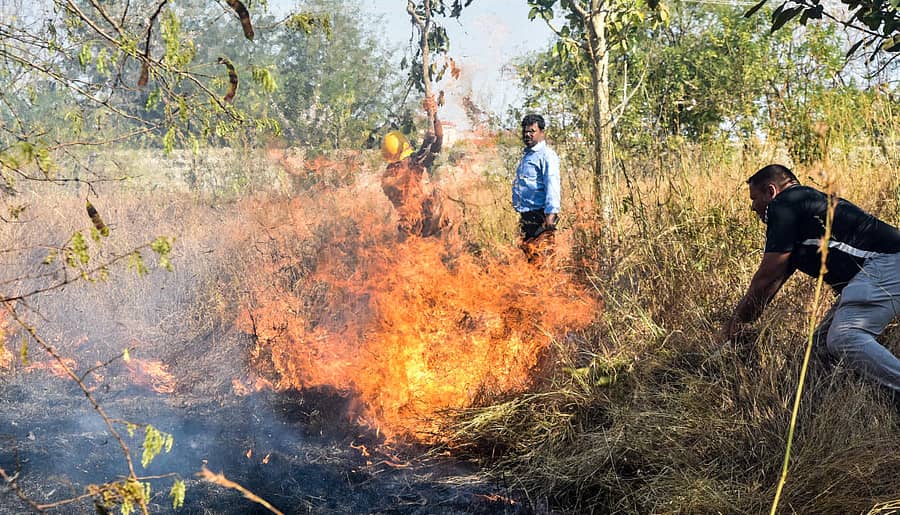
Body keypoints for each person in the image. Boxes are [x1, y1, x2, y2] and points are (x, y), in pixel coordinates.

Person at [721, 164, 900, 395]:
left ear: (771, 191)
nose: (753, 207)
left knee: (844, 337)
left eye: (754, 198)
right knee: (815, 354)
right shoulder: (802, 211)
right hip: (875, 271)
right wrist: (743, 324)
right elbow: (771, 284)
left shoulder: (785, 204)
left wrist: (733, 324)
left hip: (887, 264)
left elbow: (767, 277)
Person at [380, 102, 448, 238]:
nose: (408, 157)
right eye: (405, 156)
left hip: (429, 224)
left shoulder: (410, 165)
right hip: (414, 229)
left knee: (437, 194)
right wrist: (425, 144)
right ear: (397, 162)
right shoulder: (390, 179)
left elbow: (437, 145)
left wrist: (434, 116)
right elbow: (412, 166)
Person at [511, 114, 560, 263]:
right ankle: (534, 286)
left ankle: (546, 285)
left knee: (542, 259)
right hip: (527, 217)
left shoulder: (546, 155)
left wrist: (551, 214)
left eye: (532, 131)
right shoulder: (527, 155)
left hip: (541, 217)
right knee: (530, 258)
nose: (527, 135)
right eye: (525, 131)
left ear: (541, 133)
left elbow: (552, 184)